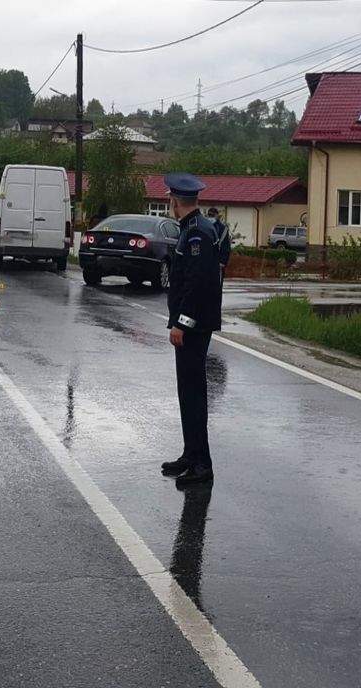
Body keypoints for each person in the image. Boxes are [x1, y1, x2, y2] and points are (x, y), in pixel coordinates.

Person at [160, 173, 222, 487]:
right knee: (187, 392)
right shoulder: (193, 228)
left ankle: (202, 465)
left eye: (169, 200)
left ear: (174, 201)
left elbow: (196, 285)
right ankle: (191, 454)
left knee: (194, 394)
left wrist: (181, 324)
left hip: (194, 326)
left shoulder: (197, 233)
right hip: (193, 324)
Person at [207, 207, 231, 283]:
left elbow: (225, 246)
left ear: (217, 215)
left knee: (217, 285)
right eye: (209, 215)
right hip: (206, 261)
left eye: (212, 215)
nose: (211, 217)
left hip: (218, 262)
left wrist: (223, 261)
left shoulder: (222, 229)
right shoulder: (205, 227)